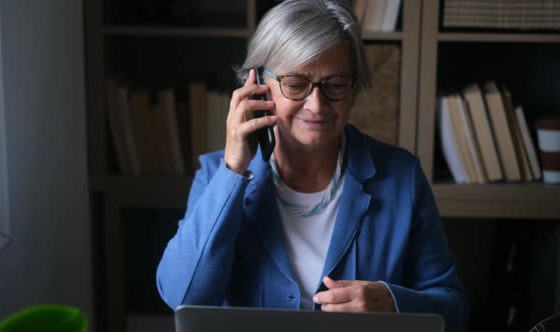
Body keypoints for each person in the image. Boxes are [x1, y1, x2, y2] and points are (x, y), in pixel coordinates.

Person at [156, 0, 467, 331]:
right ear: (258, 83)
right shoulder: (217, 174)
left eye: (335, 85)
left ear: (354, 87)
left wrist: (393, 302)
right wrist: (233, 170)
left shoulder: (401, 176)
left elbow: (453, 308)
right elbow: (182, 296)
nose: (317, 105)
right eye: (295, 84)